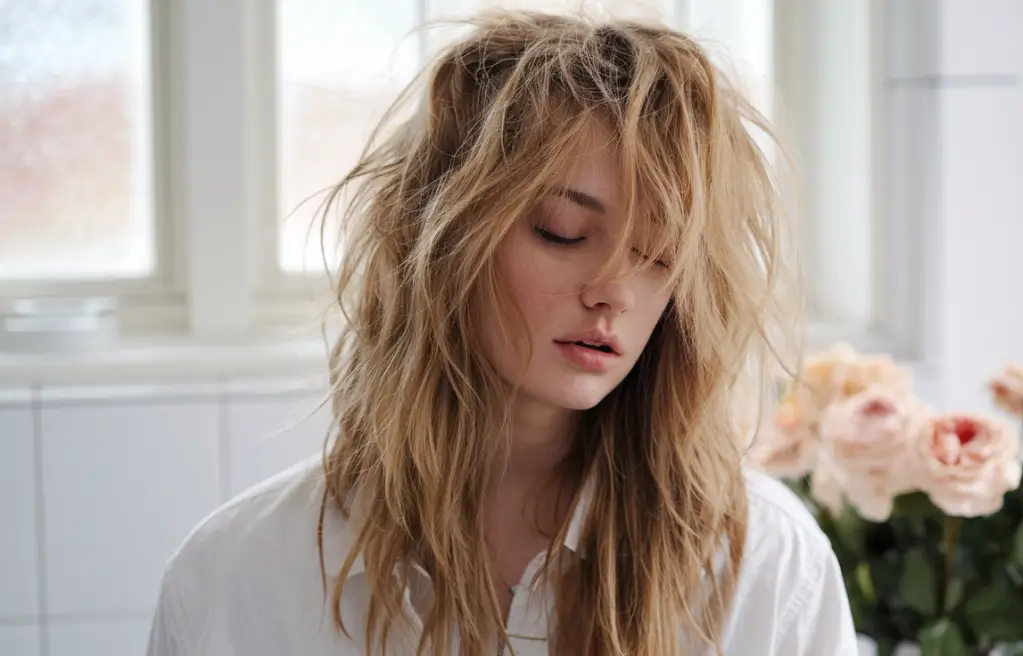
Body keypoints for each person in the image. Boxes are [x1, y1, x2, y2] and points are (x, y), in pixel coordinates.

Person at [147, 9, 856, 656]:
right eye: (564, 232)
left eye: (656, 254)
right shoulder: (236, 576)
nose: (611, 291)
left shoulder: (764, 562)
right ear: (442, 237)